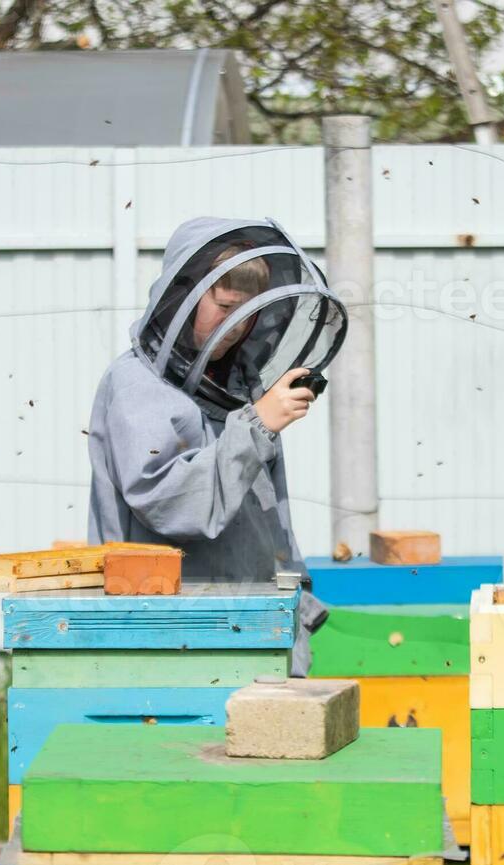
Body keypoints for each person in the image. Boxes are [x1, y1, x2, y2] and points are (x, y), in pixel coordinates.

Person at [86, 217, 347, 675]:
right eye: (224, 306)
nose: (234, 326)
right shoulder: (138, 385)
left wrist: (294, 595)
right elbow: (169, 502)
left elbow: (266, 521)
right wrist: (256, 426)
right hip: (171, 634)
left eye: (247, 313)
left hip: (246, 627)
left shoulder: (235, 387)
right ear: (181, 298)